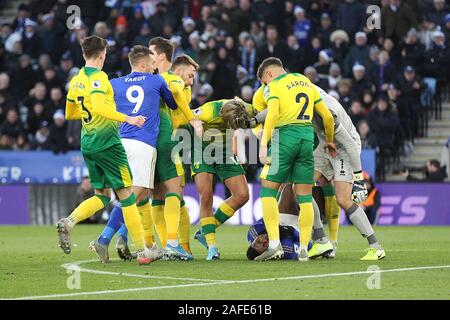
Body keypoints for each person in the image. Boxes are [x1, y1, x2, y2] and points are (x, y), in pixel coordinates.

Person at [55, 35, 151, 266]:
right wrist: (128, 118)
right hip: (108, 143)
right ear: (103, 53)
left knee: (102, 196)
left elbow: (70, 113)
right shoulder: (99, 78)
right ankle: (142, 251)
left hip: (87, 143)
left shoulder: (77, 79)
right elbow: (98, 105)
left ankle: (69, 221)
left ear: (83, 54)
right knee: (127, 196)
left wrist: (97, 114)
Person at [90, 45, 178, 264]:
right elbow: (173, 104)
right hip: (143, 145)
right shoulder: (156, 81)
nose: (154, 65)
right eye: (151, 62)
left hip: (120, 143)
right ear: (142, 64)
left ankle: (136, 242)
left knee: (136, 196)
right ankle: (105, 239)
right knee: (134, 196)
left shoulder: (114, 84)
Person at [254, 57, 336, 262]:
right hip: (307, 138)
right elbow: (327, 116)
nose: (265, 85)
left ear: (269, 74)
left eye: (264, 80)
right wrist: (331, 140)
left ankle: (274, 245)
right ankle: (303, 249)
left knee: (268, 190)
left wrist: (263, 145)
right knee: (304, 197)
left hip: (285, 137)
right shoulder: (305, 80)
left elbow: (272, 113)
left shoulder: (275, 85)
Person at [189, 98, 252, 260]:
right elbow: (188, 115)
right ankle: (212, 246)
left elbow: (264, 114)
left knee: (242, 195)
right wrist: (195, 123)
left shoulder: (245, 108)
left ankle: (205, 230)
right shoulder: (209, 110)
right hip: (202, 150)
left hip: (225, 152)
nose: (232, 127)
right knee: (207, 194)